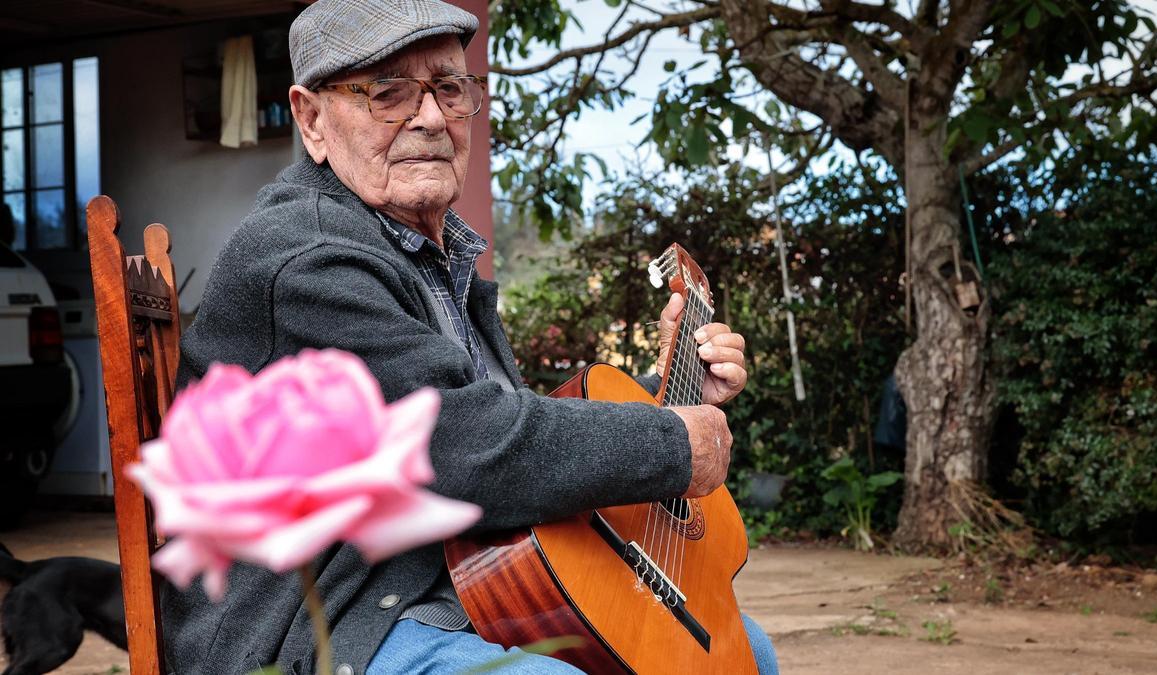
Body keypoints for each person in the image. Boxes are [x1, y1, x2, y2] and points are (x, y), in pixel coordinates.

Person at [168, 1, 777, 673]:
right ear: (311, 119)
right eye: (388, 92)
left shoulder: (426, 249)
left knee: (744, 649)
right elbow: (461, 442)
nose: (429, 118)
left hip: (447, 587)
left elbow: (497, 429)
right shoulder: (304, 257)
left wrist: (675, 395)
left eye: (449, 89)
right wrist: (671, 441)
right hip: (319, 623)